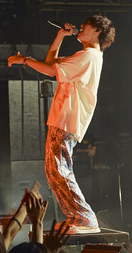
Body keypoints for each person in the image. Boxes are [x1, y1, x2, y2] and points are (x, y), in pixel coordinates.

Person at [7, 15, 115, 234]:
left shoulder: (89, 56)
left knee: (59, 169)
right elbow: (51, 64)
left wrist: (24, 60)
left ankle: (85, 218)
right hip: (63, 119)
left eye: (85, 26)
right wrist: (60, 36)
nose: (80, 27)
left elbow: (50, 71)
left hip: (68, 120)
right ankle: (78, 217)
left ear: (97, 30)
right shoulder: (85, 55)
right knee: (54, 170)